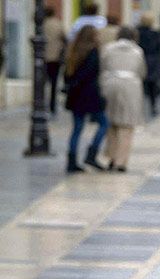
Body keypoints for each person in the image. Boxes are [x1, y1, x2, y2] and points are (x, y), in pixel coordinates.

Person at [99, 27, 146, 173]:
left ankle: (111, 158)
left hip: (110, 84)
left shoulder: (108, 49)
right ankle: (121, 161)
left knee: (111, 124)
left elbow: (102, 67)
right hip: (130, 86)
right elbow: (142, 71)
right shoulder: (137, 51)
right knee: (127, 126)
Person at [64, 26, 108, 173]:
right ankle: (92, 153)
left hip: (75, 96)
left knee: (77, 129)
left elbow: (68, 75)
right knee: (104, 123)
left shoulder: (73, 51)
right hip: (90, 95)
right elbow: (91, 73)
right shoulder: (93, 52)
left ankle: (71, 160)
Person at [44, 8, 67, 116]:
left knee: (41, 84)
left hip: (42, 57)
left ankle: (42, 105)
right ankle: (52, 107)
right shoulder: (58, 24)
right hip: (55, 58)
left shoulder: (41, 24)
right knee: (54, 84)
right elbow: (65, 38)